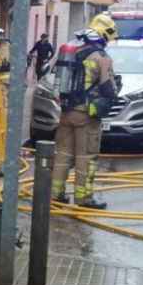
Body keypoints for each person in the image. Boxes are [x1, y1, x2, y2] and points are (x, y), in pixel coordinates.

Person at [50, 15, 119, 209]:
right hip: (86, 115)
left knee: (62, 154)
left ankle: (56, 194)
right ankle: (84, 198)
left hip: (66, 112)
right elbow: (108, 89)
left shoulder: (71, 51)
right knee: (86, 157)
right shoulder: (101, 57)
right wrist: (115, 88)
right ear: (104, 35)